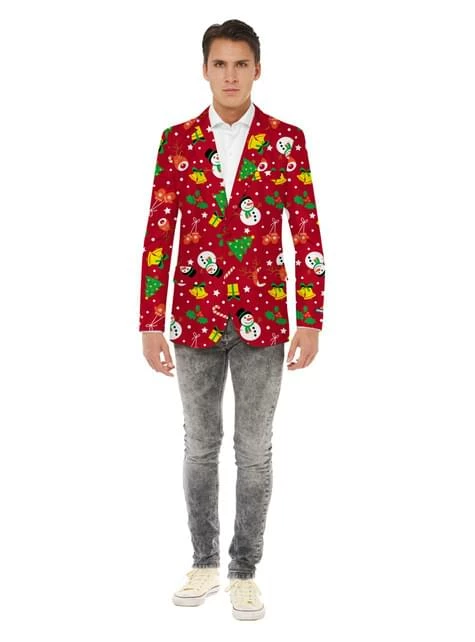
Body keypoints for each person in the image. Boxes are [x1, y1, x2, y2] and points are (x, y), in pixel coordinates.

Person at [139, 19, 325, 620]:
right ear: (205, 69)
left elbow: (306, 231)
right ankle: (203, 562)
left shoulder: (286, 141)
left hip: (264, 319)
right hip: (193, 317)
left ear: (257, 70)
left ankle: (244, 570)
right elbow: (159, 232)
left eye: (241, 64)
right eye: (219, 64)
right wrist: (149, 320)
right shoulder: (177, 141)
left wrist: (311, 317)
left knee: (254, 450)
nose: (230, 76)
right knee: (199, 447)